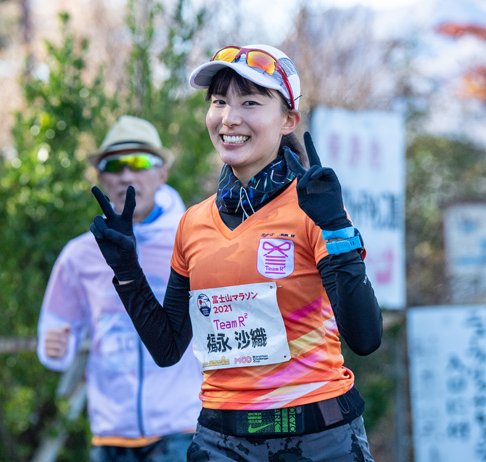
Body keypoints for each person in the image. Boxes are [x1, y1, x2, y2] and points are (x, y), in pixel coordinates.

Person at [89, 45, 383, 461]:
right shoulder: (194, 222)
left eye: (250, 102)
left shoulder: (315, 207)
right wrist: (126, 271)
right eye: (219, 102)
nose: (229, 118)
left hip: (321, 437)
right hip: (220, 440)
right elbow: (168, 347)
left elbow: (366, 338)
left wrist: (337, 229)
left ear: (288, 120)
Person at [37, 115, 203, 462]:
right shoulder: (79, 254)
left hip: (183, 429)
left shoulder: (192, 241)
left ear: (162, 173)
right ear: (99, 177)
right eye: (114, 165)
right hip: (110, 435)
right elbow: (55, 334)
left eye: (140, 162)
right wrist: (53, 347)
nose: (126, 175)